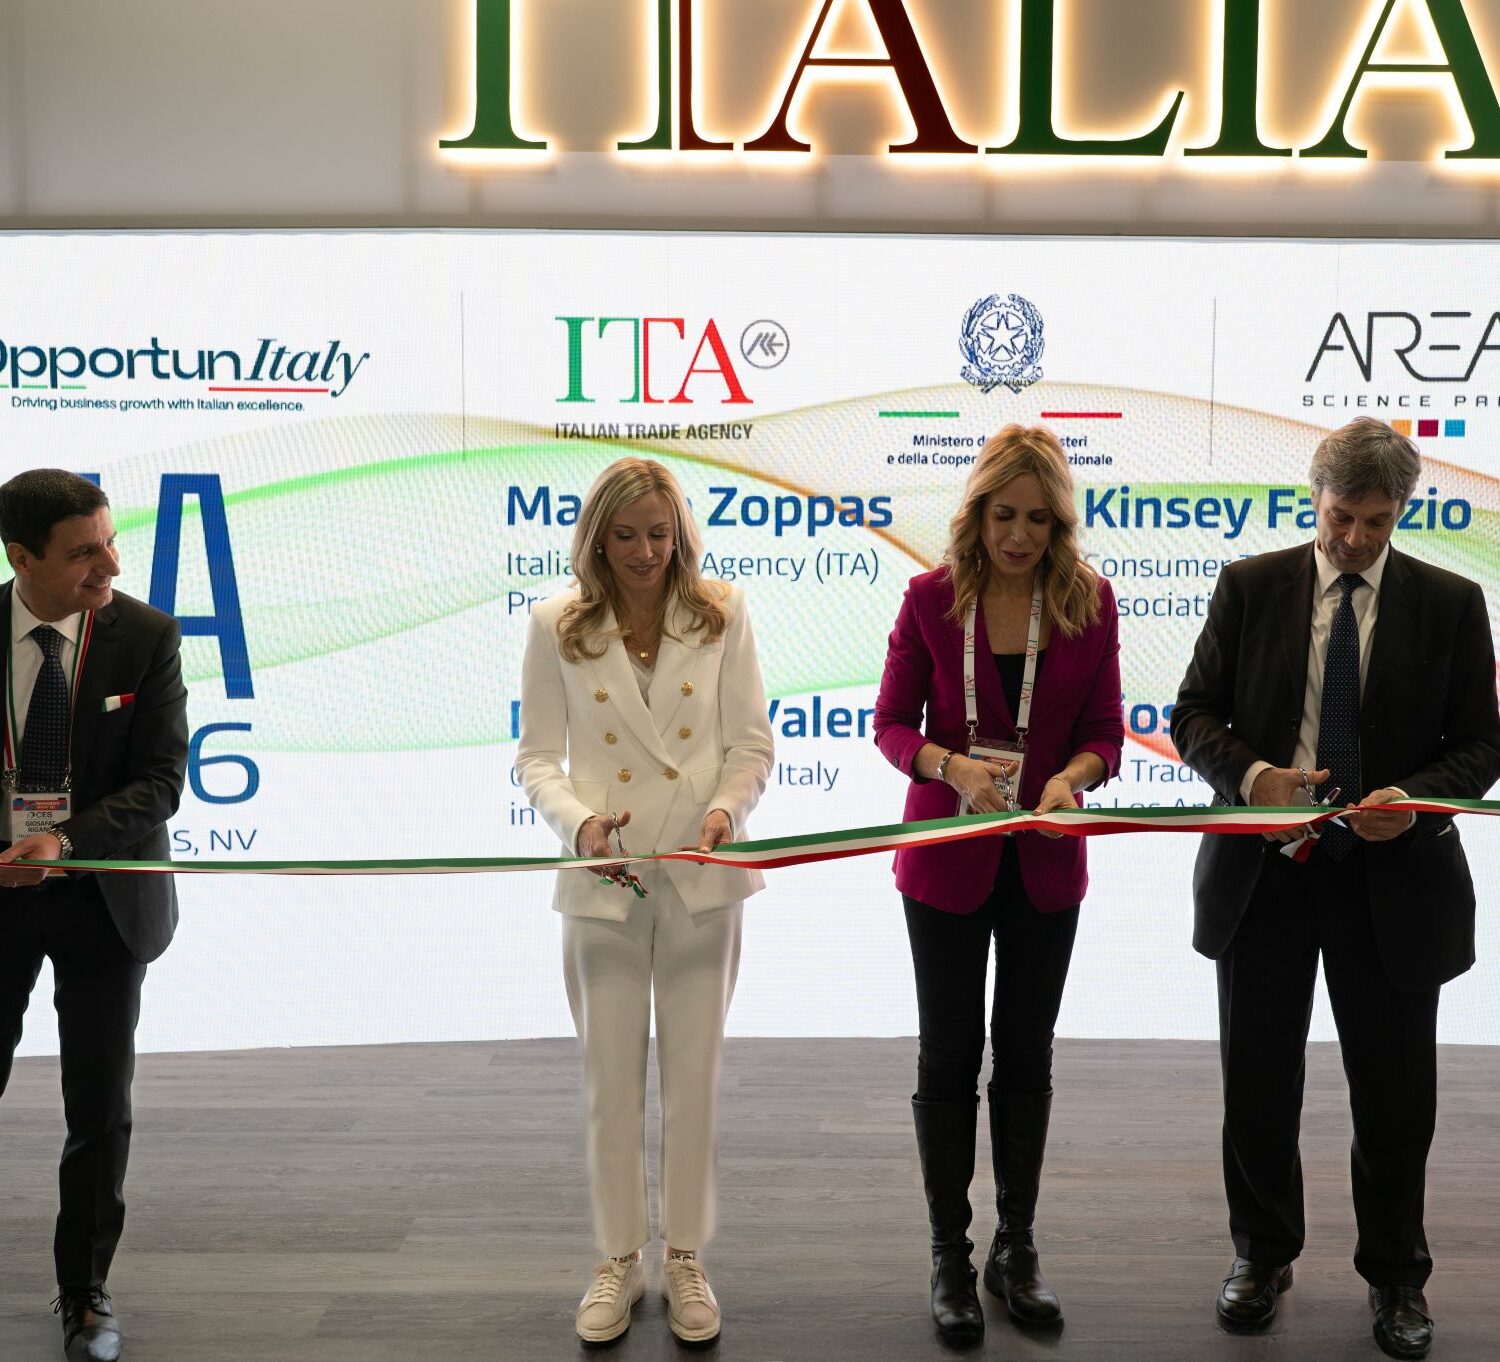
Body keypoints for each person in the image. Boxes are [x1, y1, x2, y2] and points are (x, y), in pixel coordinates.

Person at [1172, 417, 1500, 1360]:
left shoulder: (1452, 603)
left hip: (1394, 884)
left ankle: (1397, 1278)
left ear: (1403, 511)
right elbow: (1193, 714)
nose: (1354, 538)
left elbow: (1482, 743)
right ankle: (1261, 1254)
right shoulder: (1249, 586)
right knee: (1257, 1084)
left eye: (1376, 521)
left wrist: (1417, 803)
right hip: (1266, 878)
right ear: (1314, 497)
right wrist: (1253, 779)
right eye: (1340, 516)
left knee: (1396, 1098)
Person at [873, 425, 1123, 1344]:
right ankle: (950, 1252)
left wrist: (1073, 779)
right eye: (1003, 515)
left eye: (1038, 520)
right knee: (949, 1054)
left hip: (1044, 862)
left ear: (1060, 524)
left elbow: (1105, 732)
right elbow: (891, 724)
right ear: (976, 515)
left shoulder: (1089, 601)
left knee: (1025, 1053)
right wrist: (949, 765)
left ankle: (1015, 1248)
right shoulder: (930, 599)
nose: (1019, 536)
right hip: (946, 861)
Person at [516, 457, 774, 1347]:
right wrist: (581, 824)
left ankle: (686, 1255)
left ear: (680, 532)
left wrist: (724, 811)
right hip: (606, 875)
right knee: (610, 1084)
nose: (645, 552)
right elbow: (536, 757)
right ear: (597, 539)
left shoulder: (722, 613)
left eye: (659, 533)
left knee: (694, 1080)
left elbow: (751, 746)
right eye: (626, 535)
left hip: (703, 873)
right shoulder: (556, 624)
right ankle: (617, 1258)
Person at [0, 469, 188, 1362]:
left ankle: (84, 1294)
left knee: (98, 1104)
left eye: (111, 540)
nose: (109, 564)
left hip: (104, 895)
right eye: (84, 552)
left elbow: (161, 781)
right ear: (21, 556)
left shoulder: (146, 635)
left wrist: (64, 842)